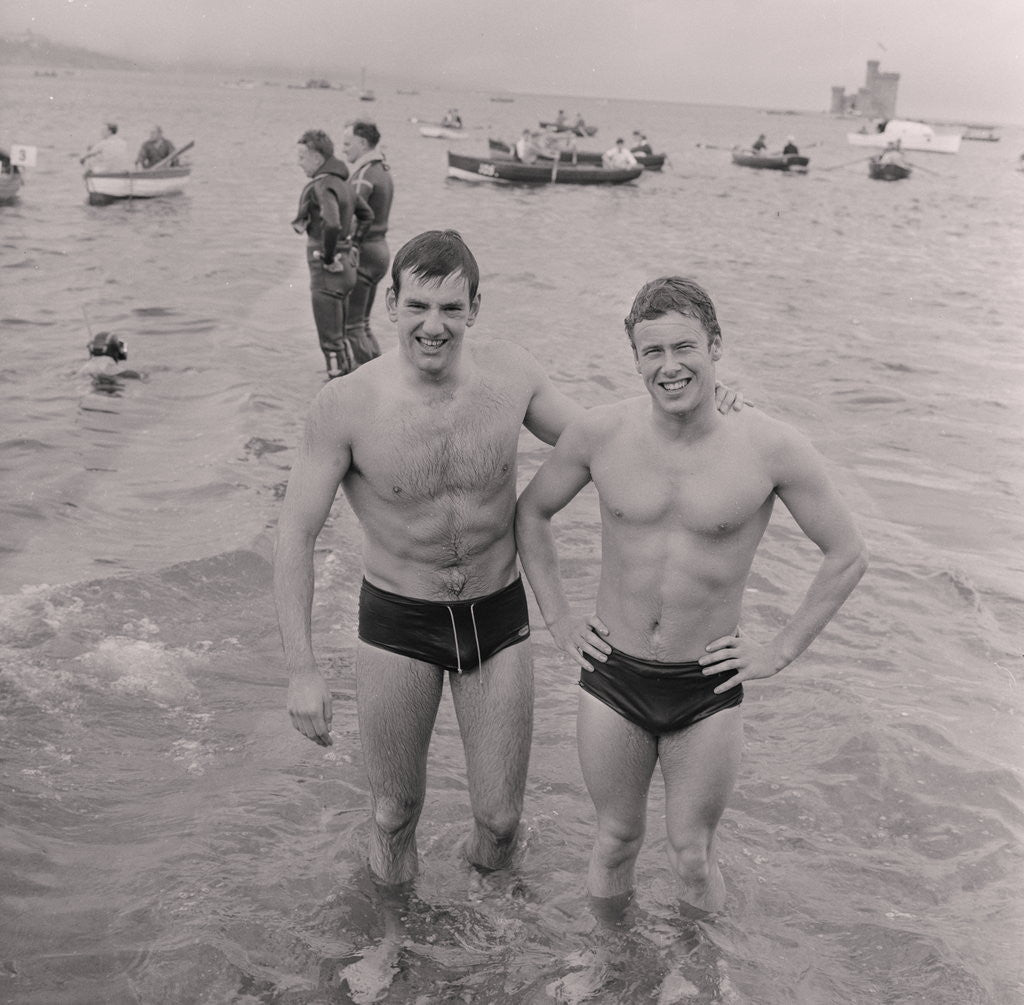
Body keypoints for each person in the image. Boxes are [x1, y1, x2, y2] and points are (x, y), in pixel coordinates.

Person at [274, 233, 743, 886]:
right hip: (399, 621)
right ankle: (392, 941)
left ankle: (485, 939)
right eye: (417, 306)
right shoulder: (346, 405)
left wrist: (698, 403)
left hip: (495, 615)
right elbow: (295, 532)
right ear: (390, 303)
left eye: (450, 308)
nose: (433, 325)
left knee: (499, 820)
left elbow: (603, 442)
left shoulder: (511, 378)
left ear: (475, 308)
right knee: (392, 812)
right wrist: (302, 668)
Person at [515, 275, 868, 917]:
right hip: (614, 676)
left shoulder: (770, 447)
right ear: (636, 359)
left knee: (692, 854)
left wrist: (780, 650)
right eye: (653, 352)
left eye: (685, 348)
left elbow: (847, 554)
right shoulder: (600, 435)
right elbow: (531, 513)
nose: (670, 367)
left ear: (716, 347)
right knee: (615, 841)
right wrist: (559, 617)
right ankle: (605, 968)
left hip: (705, 686)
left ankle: (698, 974)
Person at [292, 129, 374, 379]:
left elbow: (333, 223)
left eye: (302, 157)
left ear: (317, 158)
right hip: (347, 267)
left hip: (327, 271)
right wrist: (353, 246)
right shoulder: (344, 185)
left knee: (330, 343)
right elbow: (367, 216)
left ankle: (334, 397)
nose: (299, 163)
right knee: (340, 337)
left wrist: (328, 258)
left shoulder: (322, 186)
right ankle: (350, 386)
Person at [341, 119, 394, 365]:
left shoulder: (363, 175)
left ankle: (366, 382)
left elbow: (351, 218)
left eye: (347, 143)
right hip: (380, 251)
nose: (344, 149)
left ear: (363, 143)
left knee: (351, 326)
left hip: (364, 252)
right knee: (362, 323)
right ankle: (380, 372)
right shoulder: (381, 169)